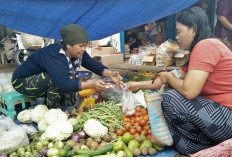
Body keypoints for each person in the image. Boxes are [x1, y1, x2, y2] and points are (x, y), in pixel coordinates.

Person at [126, 7, 232, 155]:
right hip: (217, 119)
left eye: (179, 32)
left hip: (227, 118)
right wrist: (135, 85)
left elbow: (189, 91)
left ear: (193, 30)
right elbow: (166, 79)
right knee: (182, 146)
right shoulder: (198, 52)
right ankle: (212, 147)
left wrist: (169, 77)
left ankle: (218, 144)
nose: (176, 37)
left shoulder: (206, 46)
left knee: (170, 98)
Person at [12, 24, 122, 108]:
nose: (83, 49)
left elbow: (92, 64)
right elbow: (62, 82)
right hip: (22, 81)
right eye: (80, 46)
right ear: (69, 45)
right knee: (56, 80)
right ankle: (53, 111)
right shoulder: (56, 55)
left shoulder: (77, 52)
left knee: (69, 81)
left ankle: (64, 106)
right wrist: (91, 84)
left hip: (40, 79)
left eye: (85, 45)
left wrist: (110, 74)